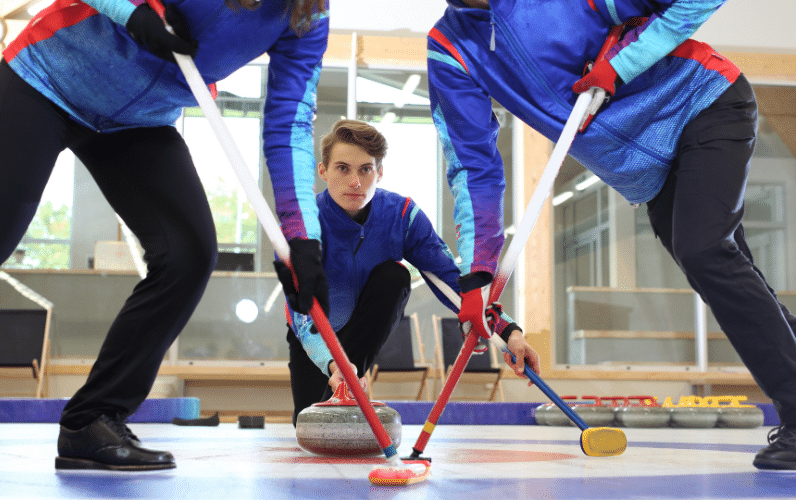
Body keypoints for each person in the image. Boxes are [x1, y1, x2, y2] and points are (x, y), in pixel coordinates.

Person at [427, 0, 796, 471]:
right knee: (725, 272)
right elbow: (474, 169)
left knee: (704, 251)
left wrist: (621, 66)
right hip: (650, 171)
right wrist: (476, 275)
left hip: (701, 103)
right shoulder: (449, 49)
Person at [0, 0, 329, 470]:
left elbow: (289, 121)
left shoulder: (306, 15)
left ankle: (92, 420)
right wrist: (129, 12)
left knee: (188, 253)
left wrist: (302, 238)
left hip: (138, 121)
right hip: (49, 75)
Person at [284, 119, 540, 425]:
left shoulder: (402, 216)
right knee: (307, 426)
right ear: (323, 171)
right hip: (314, 335)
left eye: (365, 169)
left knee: (396, 275)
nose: (355, 182)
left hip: (363, 331)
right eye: (343, 168)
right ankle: (336, 386)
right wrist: (333, 364)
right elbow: (302, 313)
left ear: (379, 173)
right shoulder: (302, 228)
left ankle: (346, 385)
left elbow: (452, 283)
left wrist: (509, 332)